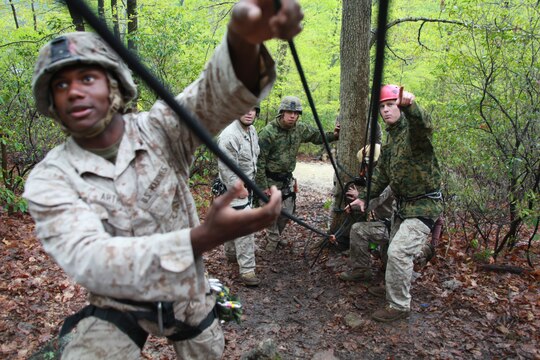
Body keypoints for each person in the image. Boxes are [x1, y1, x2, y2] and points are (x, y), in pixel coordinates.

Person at [22, 1, 303, 358]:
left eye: (87, 78)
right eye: (61, 84)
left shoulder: (159, 131)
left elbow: (209, 97)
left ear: (113, 85)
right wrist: (203, 238)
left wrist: (244, 43)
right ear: (52, 101)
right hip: (116, 303)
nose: (74, 91)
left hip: (187, 291)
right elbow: (88, 259)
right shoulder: (49, 178)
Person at [348, 84, 443, 323]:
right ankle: (391, 288)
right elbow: (381, 177)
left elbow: (425, 127)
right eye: (382, 107)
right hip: (403, 208)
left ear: (399, 106)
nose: (385, 111)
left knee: (398, 252)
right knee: (391, 249)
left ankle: (399, 305)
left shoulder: (413, 132)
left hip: (423, 208)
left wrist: (412, 107)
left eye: (390, 105)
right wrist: (364, 198)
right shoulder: (391, 141)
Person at [255, 96, 340, 252]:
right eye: (289, 112)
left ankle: (276, 236)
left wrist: (334, 135)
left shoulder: (300, 129)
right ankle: (272, 241)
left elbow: (316, 136)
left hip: (286, 180)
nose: (292, 116)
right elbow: (259, 161)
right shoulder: (268, 132)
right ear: (282, 112)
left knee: (286, 212)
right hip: (269, 180)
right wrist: (262, 186)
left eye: (296, 113)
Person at [216, 105, 261, 286]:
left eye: (253, 109)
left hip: (247, 187)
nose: (249, 112)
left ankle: (231, 255)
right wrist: (238, 188)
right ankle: (247, 271)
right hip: (233, 188)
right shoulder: (229, 135)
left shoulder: (252, 131)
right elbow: (226, 167)